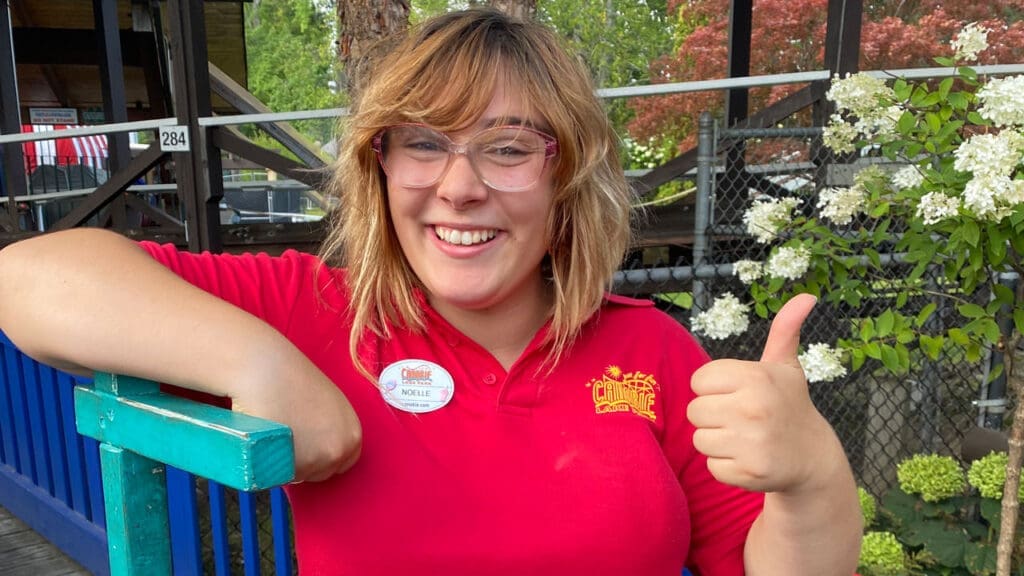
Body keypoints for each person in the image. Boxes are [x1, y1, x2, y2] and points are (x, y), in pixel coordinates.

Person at [0, 8, 862, 575]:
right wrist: (253, 355)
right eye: (422, 143)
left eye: (510, 146)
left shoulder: (652, 354)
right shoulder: (315, 312)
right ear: (379, 167)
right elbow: (29, 279)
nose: (458, 188)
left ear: (569, 178)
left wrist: (814, 480)